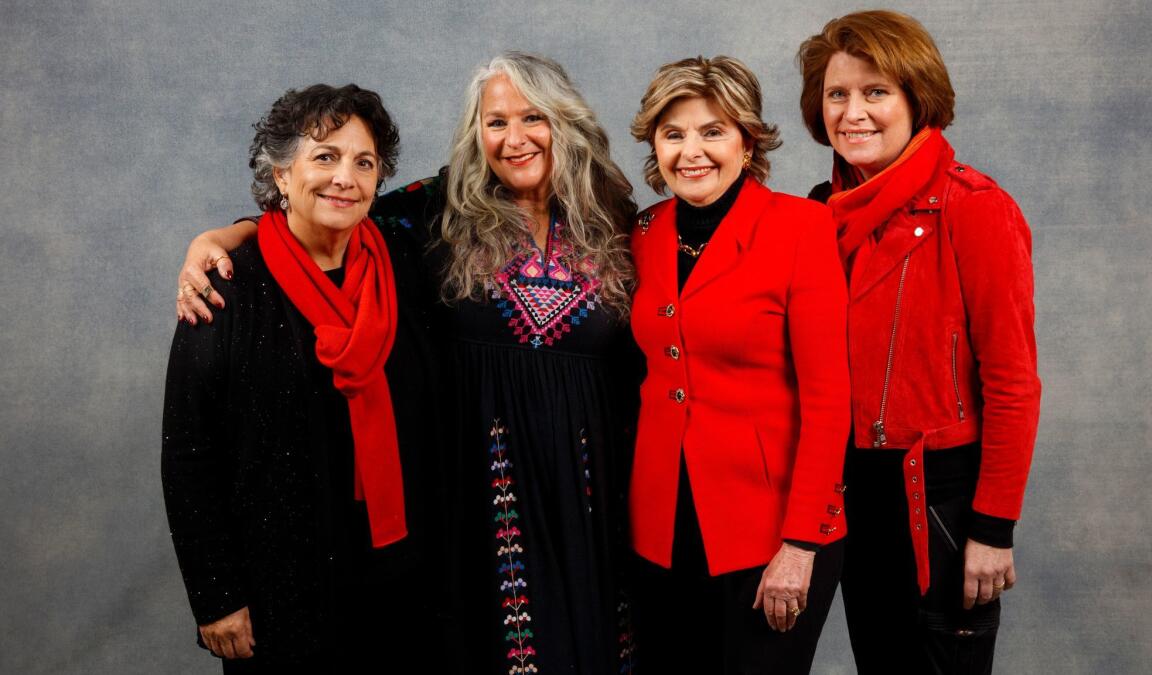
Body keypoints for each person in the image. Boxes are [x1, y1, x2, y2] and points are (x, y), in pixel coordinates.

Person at [173, 53, 640, 675]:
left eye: (534, 117)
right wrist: (223, 237)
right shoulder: (438, 210)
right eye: (495, 121)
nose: (515, 137)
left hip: (587, 485)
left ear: (566, 122)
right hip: (480, 490)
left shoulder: (614, 213)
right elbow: (332, 212)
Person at [162, 84, 445, 672]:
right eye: (324, 157)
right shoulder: (226, 287)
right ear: (283, 175)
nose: (345, 177)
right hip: (280, 597)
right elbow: (189, 452)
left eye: (363, 163)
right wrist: (217, 596)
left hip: (402, 583)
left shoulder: (403, 257)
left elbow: (485, 176)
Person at [797, 11, 1041, 673]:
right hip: (849, 494)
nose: (855, 112)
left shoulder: (975, 208)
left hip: (939, 498)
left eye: (876, 92)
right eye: (837, 94)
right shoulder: (814, 217)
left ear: (916, 99)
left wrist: (992, 526)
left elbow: (1014, 382)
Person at [625, 55, 851, 674]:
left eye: (712, 131)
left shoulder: (802, 227)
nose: (690, 151)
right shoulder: (642, 233)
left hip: (769, 530)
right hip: (661, 530)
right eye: (673, 134)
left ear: (747, 141)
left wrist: (800, 544)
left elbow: (830, 401)